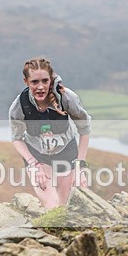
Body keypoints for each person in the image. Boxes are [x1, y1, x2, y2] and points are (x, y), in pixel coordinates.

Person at [9, 57, 91, 209]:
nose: (40, 87)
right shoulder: (19, 106)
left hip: (66, 152)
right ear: (26, 81)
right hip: (38, 155)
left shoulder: (66, 97)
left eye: (45, 81)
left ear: (50, 80)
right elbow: (17, 139)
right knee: (51, 205)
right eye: (34, 82)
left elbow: (84, 129)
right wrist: (34, 164)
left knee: (66, 204)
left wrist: (80, 166)